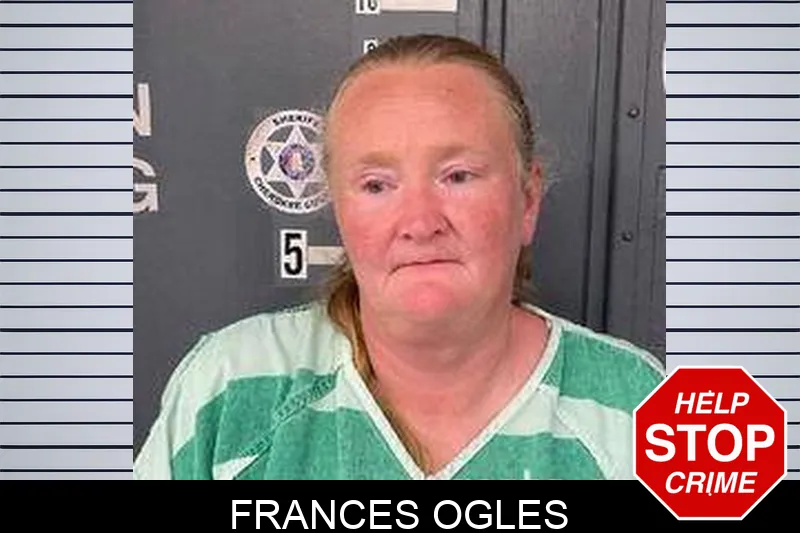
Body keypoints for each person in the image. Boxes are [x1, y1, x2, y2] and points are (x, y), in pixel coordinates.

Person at [134, 34, 665, 480]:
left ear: (527, 201)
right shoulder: (228, 388)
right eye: (376, 184)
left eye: (458, 176)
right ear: (339, 210)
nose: (419, 222)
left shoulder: (641, 405)